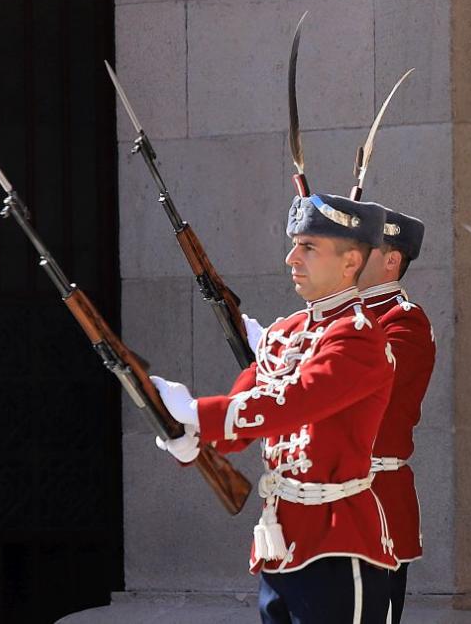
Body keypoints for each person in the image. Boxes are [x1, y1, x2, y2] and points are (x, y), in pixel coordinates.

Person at [153, 193, 398, 624]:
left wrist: (196, 411)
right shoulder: (286, 332)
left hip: (338, 544)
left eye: (308, 247)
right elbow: (247, 409)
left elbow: (297, 400)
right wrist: (191, 437)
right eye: (294, 244)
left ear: (350, 262)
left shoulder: (359, 337)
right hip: (279, 545)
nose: (291, 258)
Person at [356, 206, 436, 624]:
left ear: (391, 260)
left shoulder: (404, 322)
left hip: (377, 499)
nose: (350, 258)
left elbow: (366, 386)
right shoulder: (344, 319)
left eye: (363, 249)